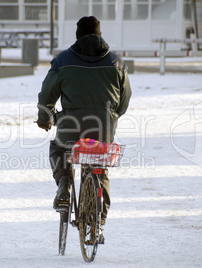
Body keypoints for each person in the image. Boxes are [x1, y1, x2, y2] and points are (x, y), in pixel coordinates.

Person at [37, 16, 131, 241]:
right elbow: (124, 100)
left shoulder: (63, 60)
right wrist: (112, 116)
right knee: (99, 166)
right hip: (103, 128)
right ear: (100, 35)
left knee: (59, 149)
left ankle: (64, 185)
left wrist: (46, 118)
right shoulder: (116, 62)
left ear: (77, 35)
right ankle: (97, 224)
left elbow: (47, 95)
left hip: (71, 127)